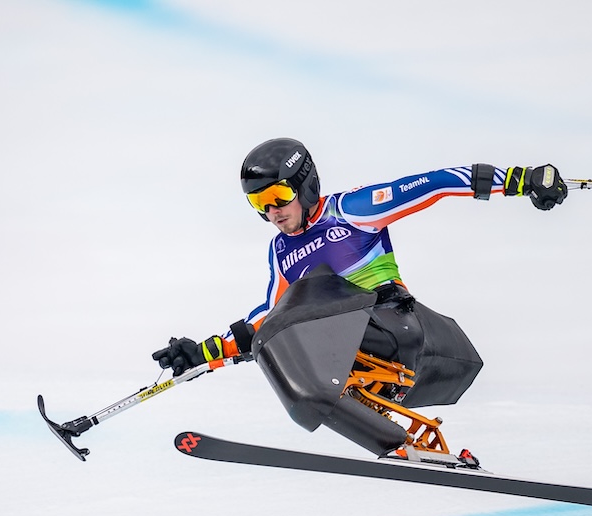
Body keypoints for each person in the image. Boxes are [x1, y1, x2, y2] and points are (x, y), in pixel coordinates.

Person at [153, 137, 567, 459]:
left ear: (305, 186)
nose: (272, 213)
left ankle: (353, 412)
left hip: (397, 330)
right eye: (258, 204)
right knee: (277, 334)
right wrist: (205, 351)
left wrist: (521, 179)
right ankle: (398, 442)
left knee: (299, 303)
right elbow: (268, 318)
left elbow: (436, 185)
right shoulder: (281, 252)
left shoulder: (351, 210)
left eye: (277, 197)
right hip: (353, 356)